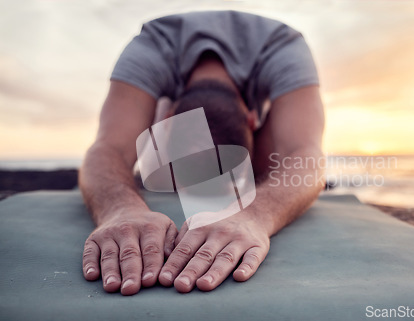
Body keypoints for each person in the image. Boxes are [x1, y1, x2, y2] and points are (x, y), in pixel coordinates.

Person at [79, 10, 325, 295]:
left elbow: (307, 155)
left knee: (266, 165)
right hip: (169, 85)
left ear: (254, 121)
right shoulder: (152, 47)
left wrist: (254, 216)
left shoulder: (284, 48)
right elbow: (109, 148)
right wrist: (120, 210)